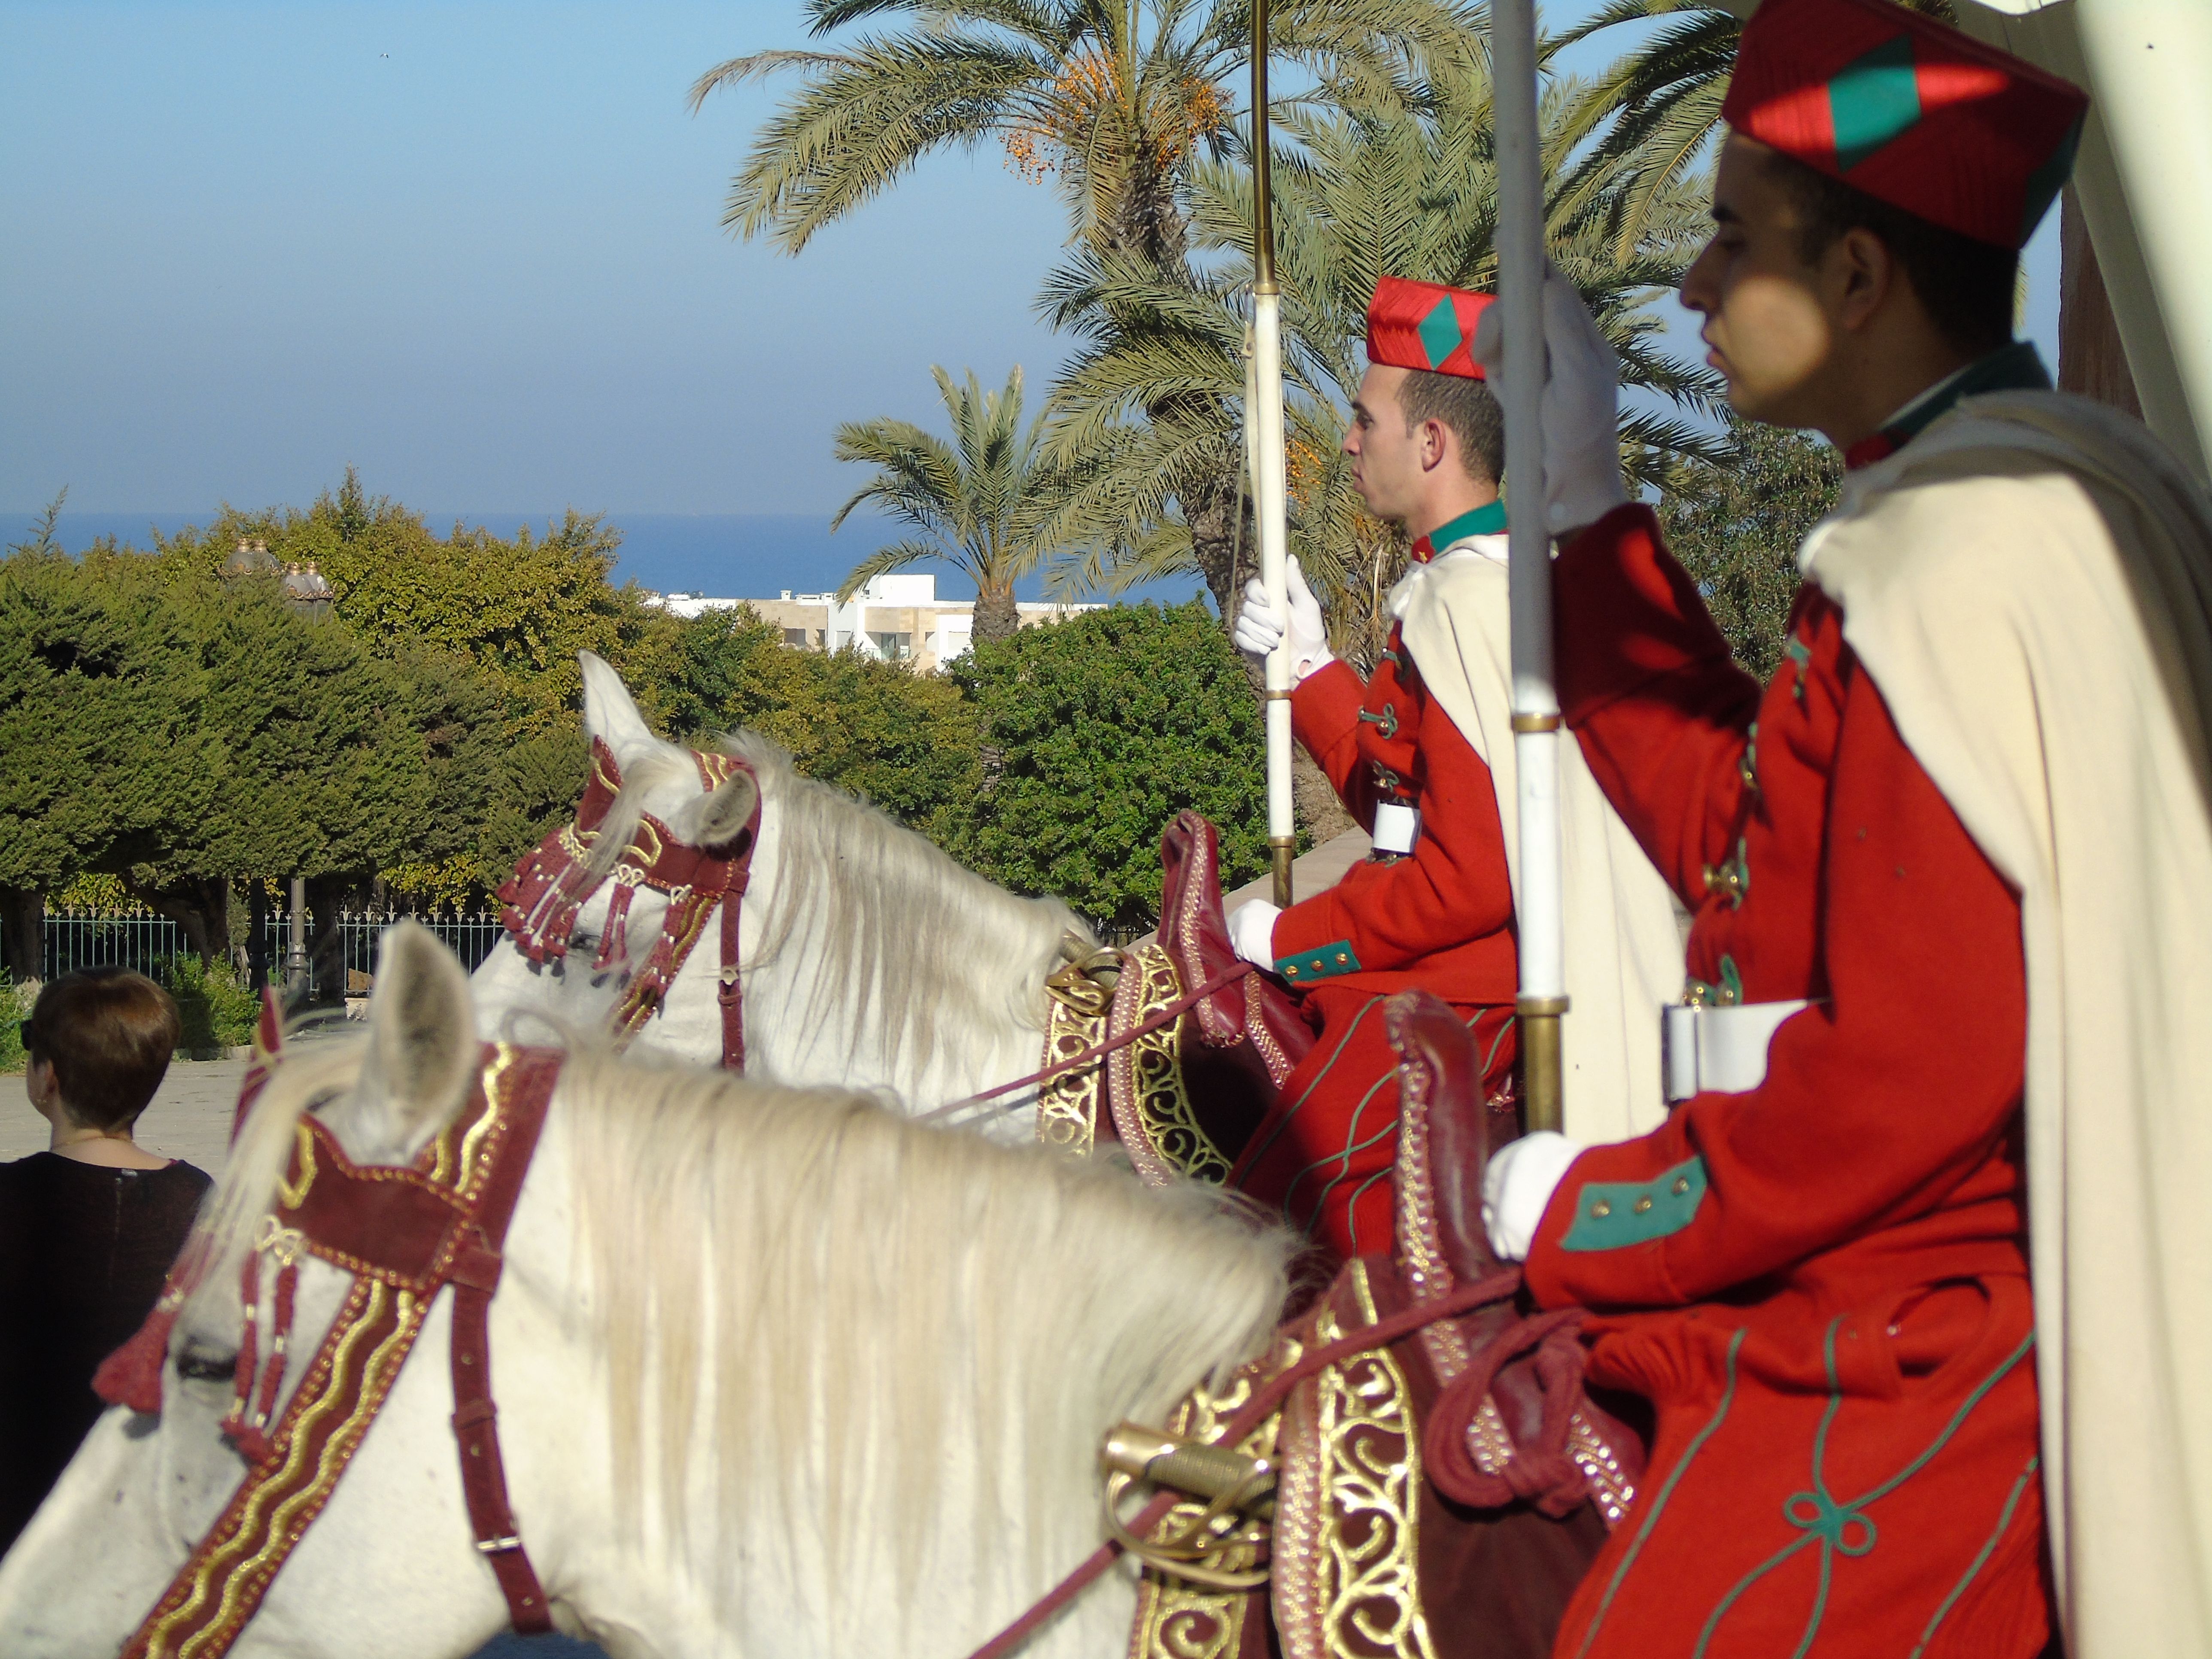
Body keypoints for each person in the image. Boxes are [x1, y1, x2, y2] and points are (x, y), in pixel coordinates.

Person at [1477, 0, 2212, 1651]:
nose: (1692, 285)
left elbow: (1900, 1073)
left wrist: (1604, 1206)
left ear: (1859, 278)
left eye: (1734, 238)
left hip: (1932, 1322)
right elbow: (1752, 846)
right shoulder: (1985, 504)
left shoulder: (1963, 553)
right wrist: (1592, 509)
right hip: (1869, 1250)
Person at [1226, 275, 1680, 1264]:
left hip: (1475, 985)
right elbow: (1402, 807)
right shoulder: (1454, 584)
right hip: (1441, 953)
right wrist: (1311, 670)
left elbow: (1466, 880)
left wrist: (1293, 936)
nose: (1348, 440)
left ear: (1430, 443)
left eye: (1364, 419)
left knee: (1272, 1213)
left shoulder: (1472, 601)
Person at [1, 969, 211, 1550]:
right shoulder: (202, 1202)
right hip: (144, 1515)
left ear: (47, 1076)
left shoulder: (13, 1197)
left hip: (19, 1507)